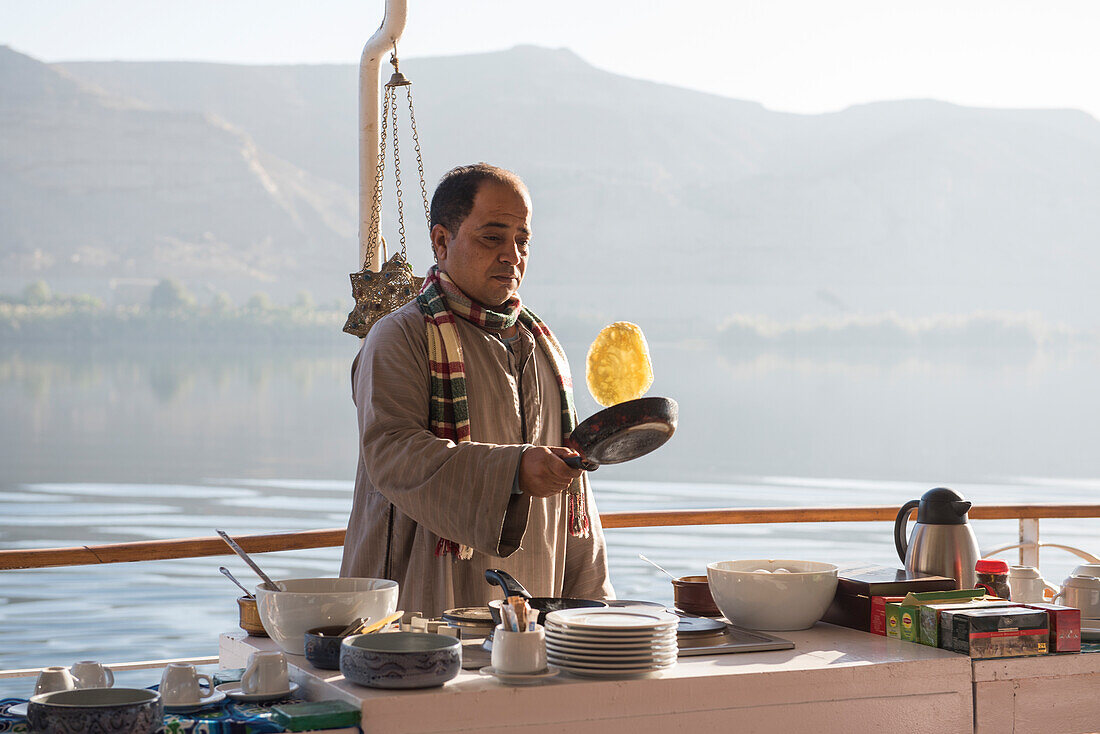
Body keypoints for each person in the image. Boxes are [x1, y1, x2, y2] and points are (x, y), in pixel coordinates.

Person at [340, 163, 614, 617]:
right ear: (442, 241)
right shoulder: (400, 335)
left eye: (522, 241)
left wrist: (594, 606)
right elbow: (391, 453)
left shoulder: (543, 345)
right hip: (422, 601)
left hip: (535, 606)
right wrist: (513, 470)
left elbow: (575, 496)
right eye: (493, 237)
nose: (512, 255)